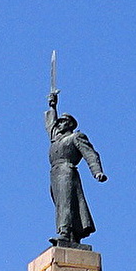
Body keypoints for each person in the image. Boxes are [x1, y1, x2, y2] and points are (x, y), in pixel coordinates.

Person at [47, 90, 105, 244]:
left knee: (67, 202)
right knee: (60, 204)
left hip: (67, 171)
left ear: (70, 124)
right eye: (59, 122)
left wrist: (97, 172)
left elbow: (90, 154)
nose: (59, 124)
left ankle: (65, 232)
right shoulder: (56, 138)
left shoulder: (76, 137)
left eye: (63, 121)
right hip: (54, 173)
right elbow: (50, 125)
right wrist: (53, 106)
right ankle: (70, 233)